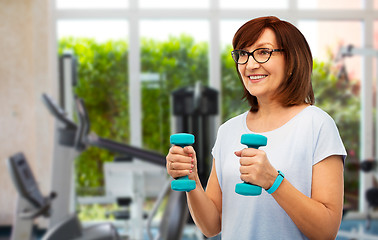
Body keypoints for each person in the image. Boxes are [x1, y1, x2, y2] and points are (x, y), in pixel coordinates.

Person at [166, 16, 347, 240]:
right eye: (243, 54)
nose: (250, 64)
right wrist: (191, 180)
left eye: (263, 52)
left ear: (292, 60)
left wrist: (273, 181)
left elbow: (326, 231)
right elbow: (211, 226)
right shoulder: (228, 131)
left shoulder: (317, 125)